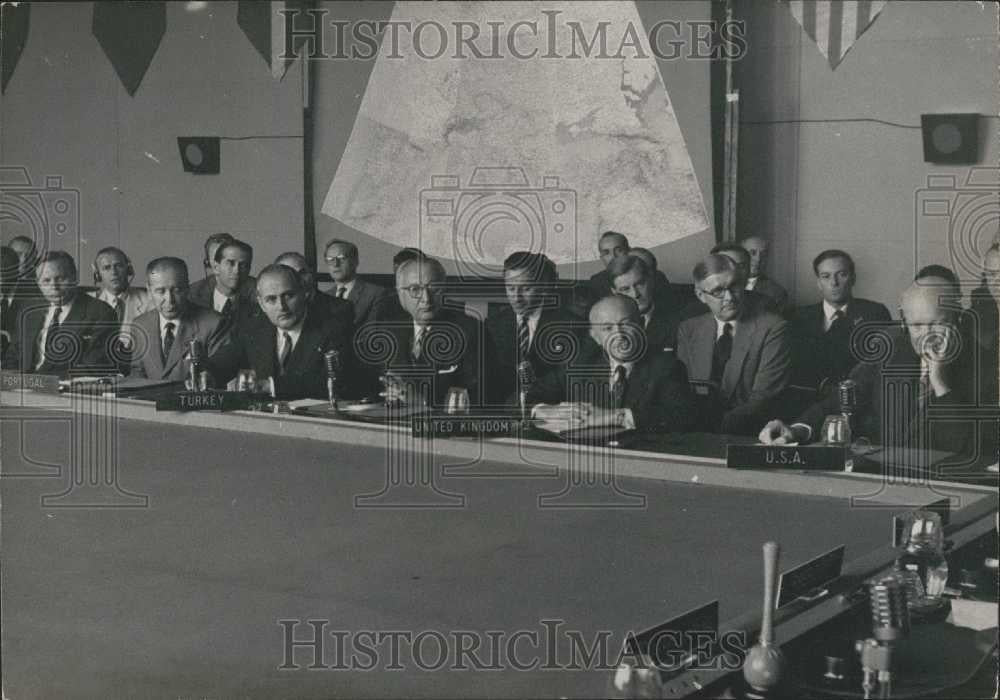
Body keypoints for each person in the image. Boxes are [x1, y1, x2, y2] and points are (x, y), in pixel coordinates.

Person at [760, 280, 989, 463]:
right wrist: (797, 430)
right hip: (885, 476)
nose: (928, 335)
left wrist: (940, 381)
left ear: (957, 320)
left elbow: (967, 448)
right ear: (904, 322)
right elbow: (840, 402)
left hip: (949, 483)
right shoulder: (890, 351)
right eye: (917, 325)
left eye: (938, 324)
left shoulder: (984, 364)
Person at [527, 296, 696, 433]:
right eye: (607, 328)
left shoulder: (666, 366)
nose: (619, 335)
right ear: (595, 337)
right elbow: (523, 398)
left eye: (626, 324)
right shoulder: (580, 364)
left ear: (641, 325)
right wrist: (541, 410)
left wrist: (614, 417)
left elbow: (680, 416)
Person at [676, 254, 791, 434]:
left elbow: (763, 397)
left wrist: (714, 430)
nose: (729, 297)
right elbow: (683, 390)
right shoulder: (688, 329)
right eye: (717, 291)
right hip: (694, 432)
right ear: (700, 295)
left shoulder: (773, 328)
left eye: (734, 286)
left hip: (749, 432)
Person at [229, 264, 357, 400]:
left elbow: (336, 381)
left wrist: (270, 386)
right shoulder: (254, 328)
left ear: (304, 293)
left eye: (288, 296)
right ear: (261, 304)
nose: (281, 307)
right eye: (271, 299)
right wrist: (207, 373)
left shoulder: (333, 328)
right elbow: (223, 360)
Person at [375, 256, 484, 407]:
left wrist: (422, 401)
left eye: (434, 289)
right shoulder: (388, 330)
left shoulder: (470, 332)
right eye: (415, 289)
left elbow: (484, 396)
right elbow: (375, 386)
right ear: (400, 294)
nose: (426, 298)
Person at [484, 251, 581, 406]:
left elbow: (571, 383)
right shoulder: (492, 325)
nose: (516, 298)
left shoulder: (571, 326)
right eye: (510, 288)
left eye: (526, 288)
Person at [789, 249, 891, 391]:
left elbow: (881, 368)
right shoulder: (799, 317)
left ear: (853, 279)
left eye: (842, 274)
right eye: (826, 276)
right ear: (818, 283)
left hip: (859, 398)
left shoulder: (875, 314)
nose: (834, 283)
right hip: (810, 401)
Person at [3, 250, 117, 375]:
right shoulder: (29, 309)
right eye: (46, 281)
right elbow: (13, 357)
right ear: (37, 283)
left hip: (64, 390)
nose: (54, 287)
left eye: (60, 278)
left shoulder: (100, 313)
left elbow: (92, 366)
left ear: (75, 277)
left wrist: (41, 383)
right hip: (23, 389)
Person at [128, 257, 234, 383]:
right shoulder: (140, 325)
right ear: (149, 291)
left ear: (187, 288)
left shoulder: (214, 323)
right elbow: (136, 373)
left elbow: (219, 374)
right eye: (160, 291)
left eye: (177, 290)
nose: (170, 300)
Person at [608, 254, 679, 352]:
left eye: (639, 284)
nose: (635, 294)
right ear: (614, 292)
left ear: (651, 280)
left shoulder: (677, 322)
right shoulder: (603, 325)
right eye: (625, 289)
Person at [188, 238, 258, 331]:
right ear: (216, 267)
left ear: (249, 269)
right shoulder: (193, 299)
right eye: (231, 263)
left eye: (243, 265)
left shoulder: (257, 302)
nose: (237, 271)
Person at [323, 239, 390, 331]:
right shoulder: (324, 297)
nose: (335, 264)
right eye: (330, 260)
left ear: (355, 261)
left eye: (341, 258)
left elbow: (371, 334)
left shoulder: (376, 294)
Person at [274, 251, 354, 325]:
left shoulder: (341, 309)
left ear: (311, 273)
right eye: (290, 275)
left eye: (302, 273)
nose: (299, 280)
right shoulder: (270, 311)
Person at [87, 246, 151, 330]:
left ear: (128, 269)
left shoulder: (149, 301)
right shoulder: (87, 302)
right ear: (97, 274)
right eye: (107, 268)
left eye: (118, 266)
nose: (114, 272)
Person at [741, 236, 789, 314]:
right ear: (741, 255)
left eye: (763, 254)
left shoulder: (777, 293)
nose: (758, 259)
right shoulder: (726, 284)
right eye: (752, 253)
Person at [587, 231, 630, 299]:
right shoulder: (597, 282)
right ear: (602, 258)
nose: (613, 256)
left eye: (618, 250)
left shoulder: (643, 274)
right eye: (606, 253)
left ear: (629, 251)